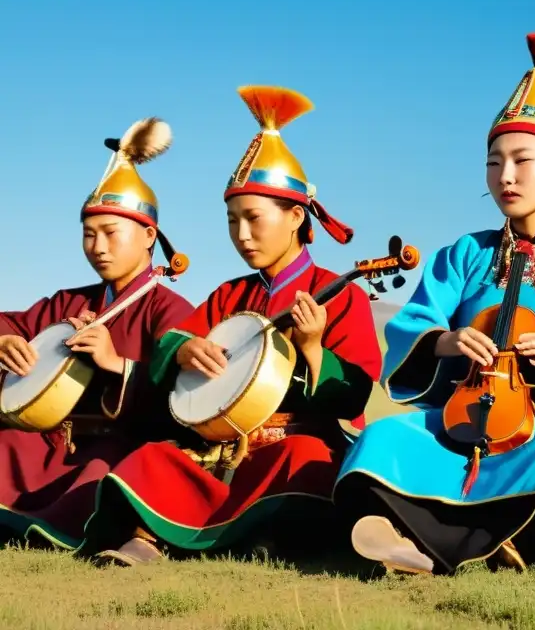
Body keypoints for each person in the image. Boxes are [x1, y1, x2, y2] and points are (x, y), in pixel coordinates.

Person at [334, 32, 535, 576]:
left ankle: (453, 539)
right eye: (494, 162)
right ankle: (502, 540)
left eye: (523, 161)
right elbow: (414, 324)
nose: (506, 176)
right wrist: (446, 341)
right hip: (463, 417)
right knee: (382, 438)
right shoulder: (462, 254)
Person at [84, 85, 382, 566]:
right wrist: (182, 352)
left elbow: (354, 392)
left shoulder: (341, 292)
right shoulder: (229, 294)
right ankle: (147, 540)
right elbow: (171, 343)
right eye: (231, 221)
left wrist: (310, 347)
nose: (241, 235)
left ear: (296, 216)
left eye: (254, 219)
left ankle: (257, 535)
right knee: (155, 456)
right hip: (218, 442)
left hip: (292, 439)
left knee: (304, 460)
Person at [0, 118, 194, 550]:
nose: (98, 247)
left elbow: (183, 394)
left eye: (110, 233)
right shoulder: (68, 302)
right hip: (53, 446)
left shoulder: (171, 310)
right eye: (89, 235)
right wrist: (4, 344)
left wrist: (116, 363)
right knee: (8, 441)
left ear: (148, 236)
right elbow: (9, 323)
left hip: (117, 447)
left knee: (106, 471)